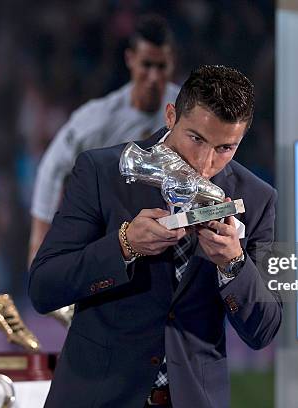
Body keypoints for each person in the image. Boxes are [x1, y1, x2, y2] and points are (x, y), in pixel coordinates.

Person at [29, 65, 282, 408]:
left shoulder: (257, 199)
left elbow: (265, 330)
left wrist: (233, 264)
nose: (205, 162)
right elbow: (44, 287)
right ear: (170, 115)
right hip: (97, 397)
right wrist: (124, 245)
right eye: (196, 138)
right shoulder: (102, 171)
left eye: (225, 148)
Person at [28, 14, 179, 265]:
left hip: (171, 235)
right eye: (146, 65)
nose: (153, 77)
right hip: (112, 237)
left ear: (171, 63)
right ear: (130, 59)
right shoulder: (98, 119)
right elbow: (51, 168)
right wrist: (38, 243)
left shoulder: (187, 112)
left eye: (161, 66)